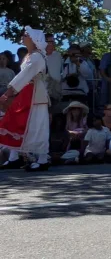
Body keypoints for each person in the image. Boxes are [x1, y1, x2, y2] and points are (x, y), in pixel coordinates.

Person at [0, 27, 51, 170]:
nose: (23, 37)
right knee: (15, 121)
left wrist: (8, 93)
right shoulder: (30, 56)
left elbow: (23, 76)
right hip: (27, 91)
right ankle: (14, 157)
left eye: (25, 35)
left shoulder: (37, 56)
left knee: (37, 126)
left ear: (33, 39)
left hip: (36, 93)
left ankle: (42, 159)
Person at [44, 34, 63, 105]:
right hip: (42, 92)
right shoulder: (38, 56)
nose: (53, 44)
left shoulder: (58, 55)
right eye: (51, 41)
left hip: (55, 92)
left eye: (54, 42)